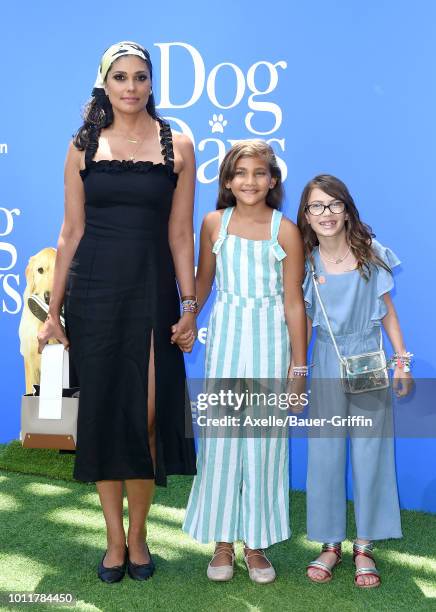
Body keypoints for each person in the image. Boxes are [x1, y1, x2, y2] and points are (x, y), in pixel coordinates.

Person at [37, 41, 197, 583]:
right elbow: (70, 231)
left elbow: (180, 233)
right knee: (105, 418)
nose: (131, 87)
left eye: (141, 77)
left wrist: (190, 304)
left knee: (146, 419)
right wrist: (53, 313)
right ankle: (112, 541)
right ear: (104, 83)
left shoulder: (179, 141)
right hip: (93, 296)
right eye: (121, 77)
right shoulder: (82, 144)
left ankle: (139, 535)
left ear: (152, 83)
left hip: (152, 295)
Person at [182, 141, 307, 583]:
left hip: (272, 347)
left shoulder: (286, 230)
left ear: (273, 181)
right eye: (240, 173)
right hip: (227, 344)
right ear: (228, 182)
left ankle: (256, 546)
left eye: (259, 173)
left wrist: (298, 369)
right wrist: (187, 316)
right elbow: (202, 284)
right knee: (220, 444)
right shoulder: (214, 223)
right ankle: (222, 543)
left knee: (265, 447)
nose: (250, 181)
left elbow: (295, 304)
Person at [297, 174, 413, 588]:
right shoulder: (304, 261)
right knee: (325, 453)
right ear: (306, 216)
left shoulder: (371, 253)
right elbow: (306, 323)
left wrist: (401, 362)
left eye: (334, 205)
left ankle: (365, 544)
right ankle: (330, 543)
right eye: (316, 207)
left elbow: (388, 314)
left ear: (347, 209)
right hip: (326, 359)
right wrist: (298, 372)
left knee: (371, 452)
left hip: (368, 360)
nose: (326, 214)